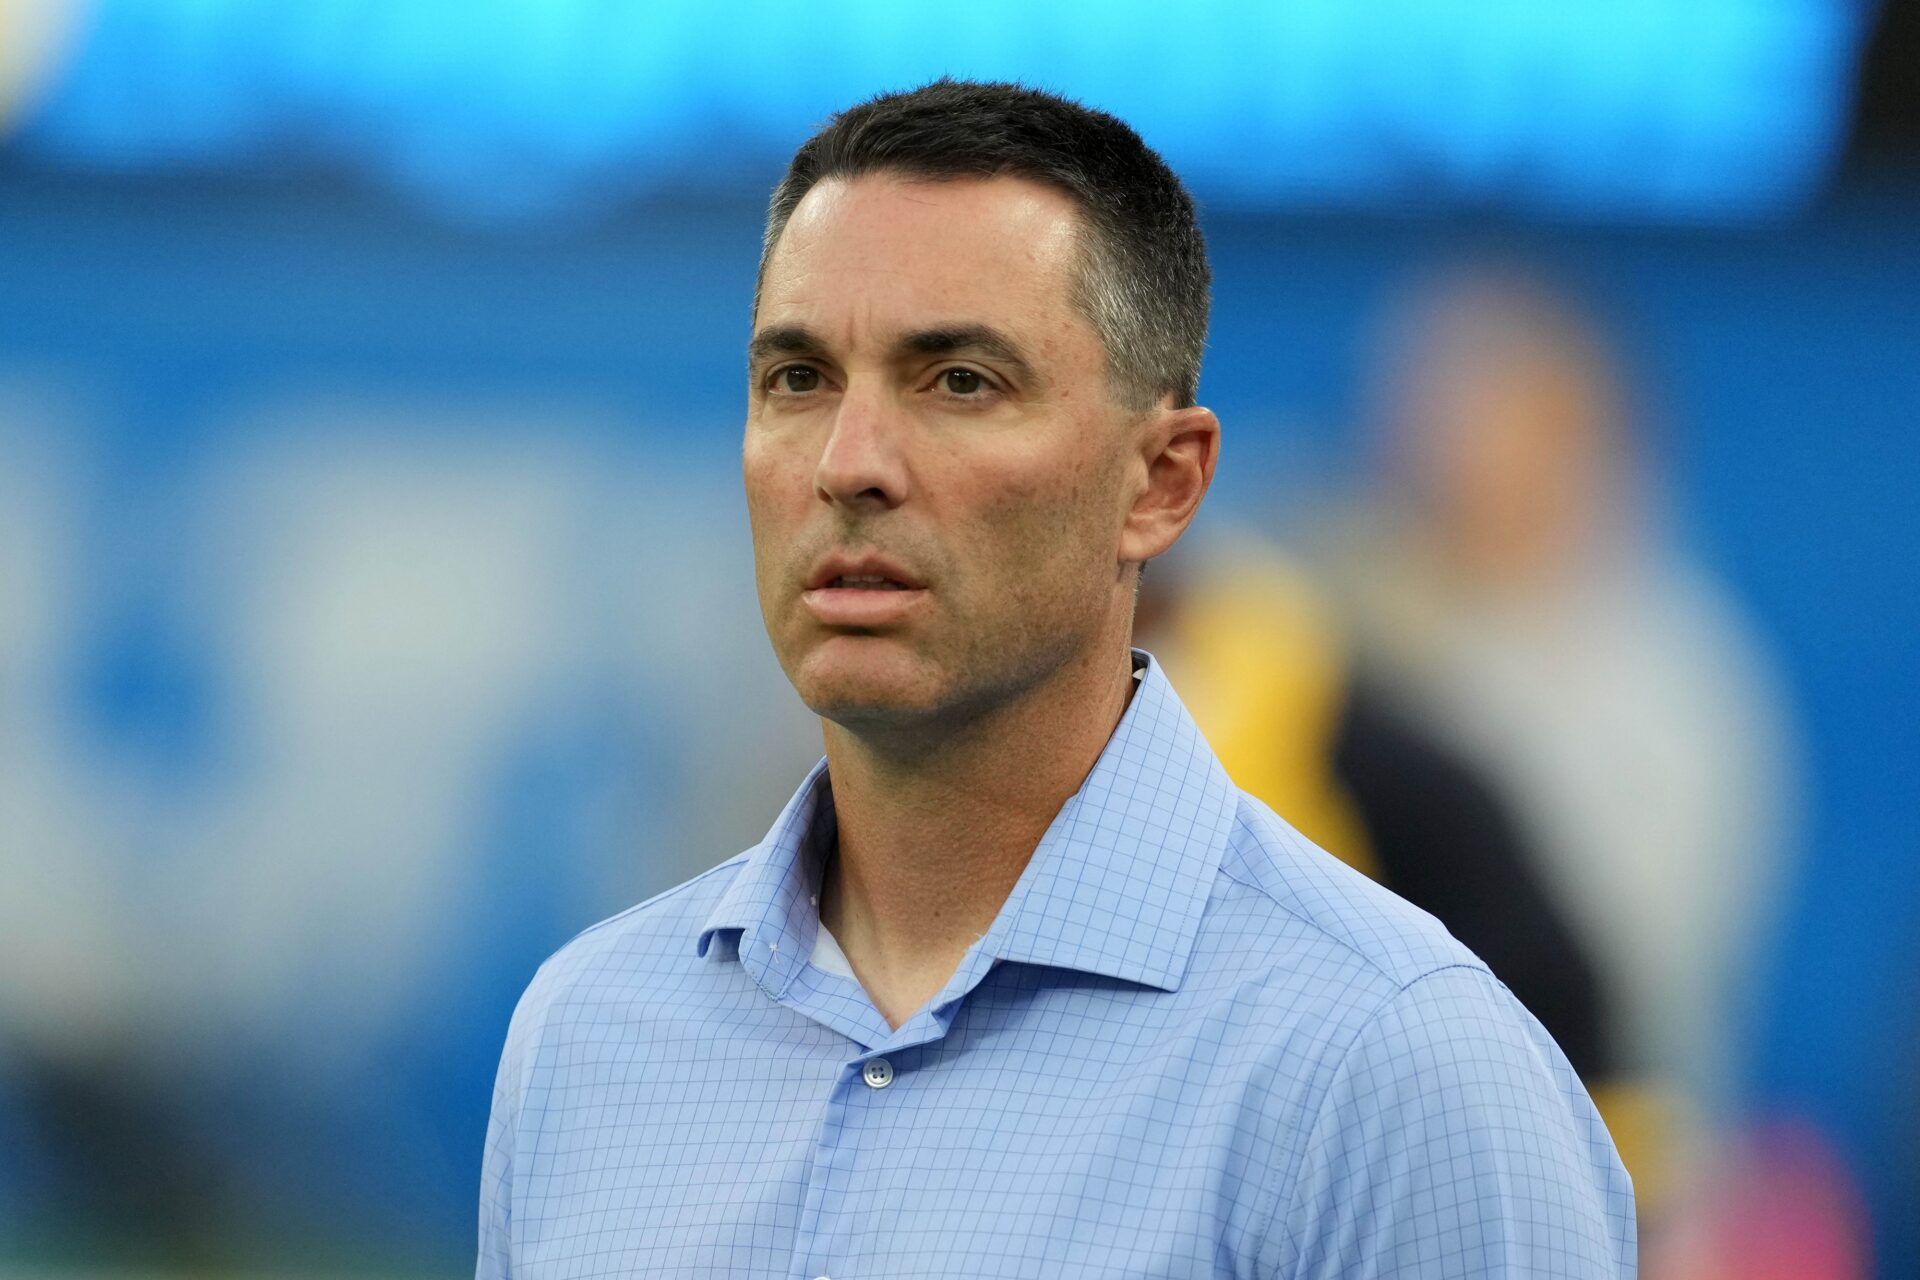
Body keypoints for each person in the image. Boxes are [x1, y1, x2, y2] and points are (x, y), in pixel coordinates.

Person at [477, 80, 1635, 1278]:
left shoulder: (1393, 1071)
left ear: (1162, 484)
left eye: (960, 380)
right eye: (798, 378)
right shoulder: (586, 1037)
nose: (849, 463)